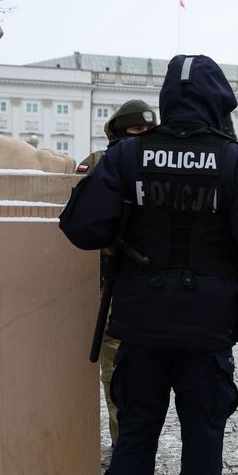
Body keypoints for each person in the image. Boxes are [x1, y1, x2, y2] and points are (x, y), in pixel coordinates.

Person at [60, 54, 238, 475]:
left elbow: (80, 227)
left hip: (139, 324)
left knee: (136, 441)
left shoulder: (129, 155)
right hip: (207, 331)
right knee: (202, 444)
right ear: (219, 102)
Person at [76, 100, 159, 449]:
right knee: (115, 374)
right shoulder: (97, 163)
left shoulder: (161, 164)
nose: (141, 138)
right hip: (109, 284)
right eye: (135, 131)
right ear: (118, 131)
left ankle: (134, 446)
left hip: (154, 288)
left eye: (147, 132)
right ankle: (125, 446)